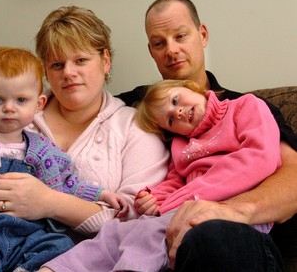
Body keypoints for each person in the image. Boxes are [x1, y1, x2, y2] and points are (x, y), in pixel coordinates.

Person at [0, 5, 169, 270]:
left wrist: (50, 202)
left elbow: (136, 221)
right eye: (57, 64)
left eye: (81, 60)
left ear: (105, 60)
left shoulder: (134, 127)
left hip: (59, 257)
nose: (69, 73)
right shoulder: (9, 113)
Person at [115, 0, 297, 271]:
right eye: (159, 43)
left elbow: (293, 179)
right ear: (151, 51)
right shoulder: (133, 107)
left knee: (210, 236)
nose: (171, 50)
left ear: (202, 34)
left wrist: (232, 209)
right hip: (155, 237)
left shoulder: (244, 107)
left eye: (180, 35)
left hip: (236, 239)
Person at [38, 79, 281, 272]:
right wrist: (153, 198)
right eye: (171, 120)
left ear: (192, 87)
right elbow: (175, 181)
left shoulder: (245, 106)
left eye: (176, 99)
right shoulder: (182, 144)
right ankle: (54, 268)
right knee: (114, 232)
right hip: (183, 208)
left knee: (150, 233)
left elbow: (259, 157)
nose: (179, 111)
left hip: (232, 212)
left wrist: (188, 198)